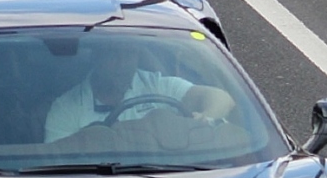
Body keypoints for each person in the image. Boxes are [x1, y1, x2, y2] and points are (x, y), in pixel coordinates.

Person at [44, 41, 233, 143]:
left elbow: (222, 98)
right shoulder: (66, 108)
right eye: (114, 55)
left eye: (130, 54)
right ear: (97, 57)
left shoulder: (157, 85)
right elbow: (57, 159)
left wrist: (206, 118)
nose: (123, 64)